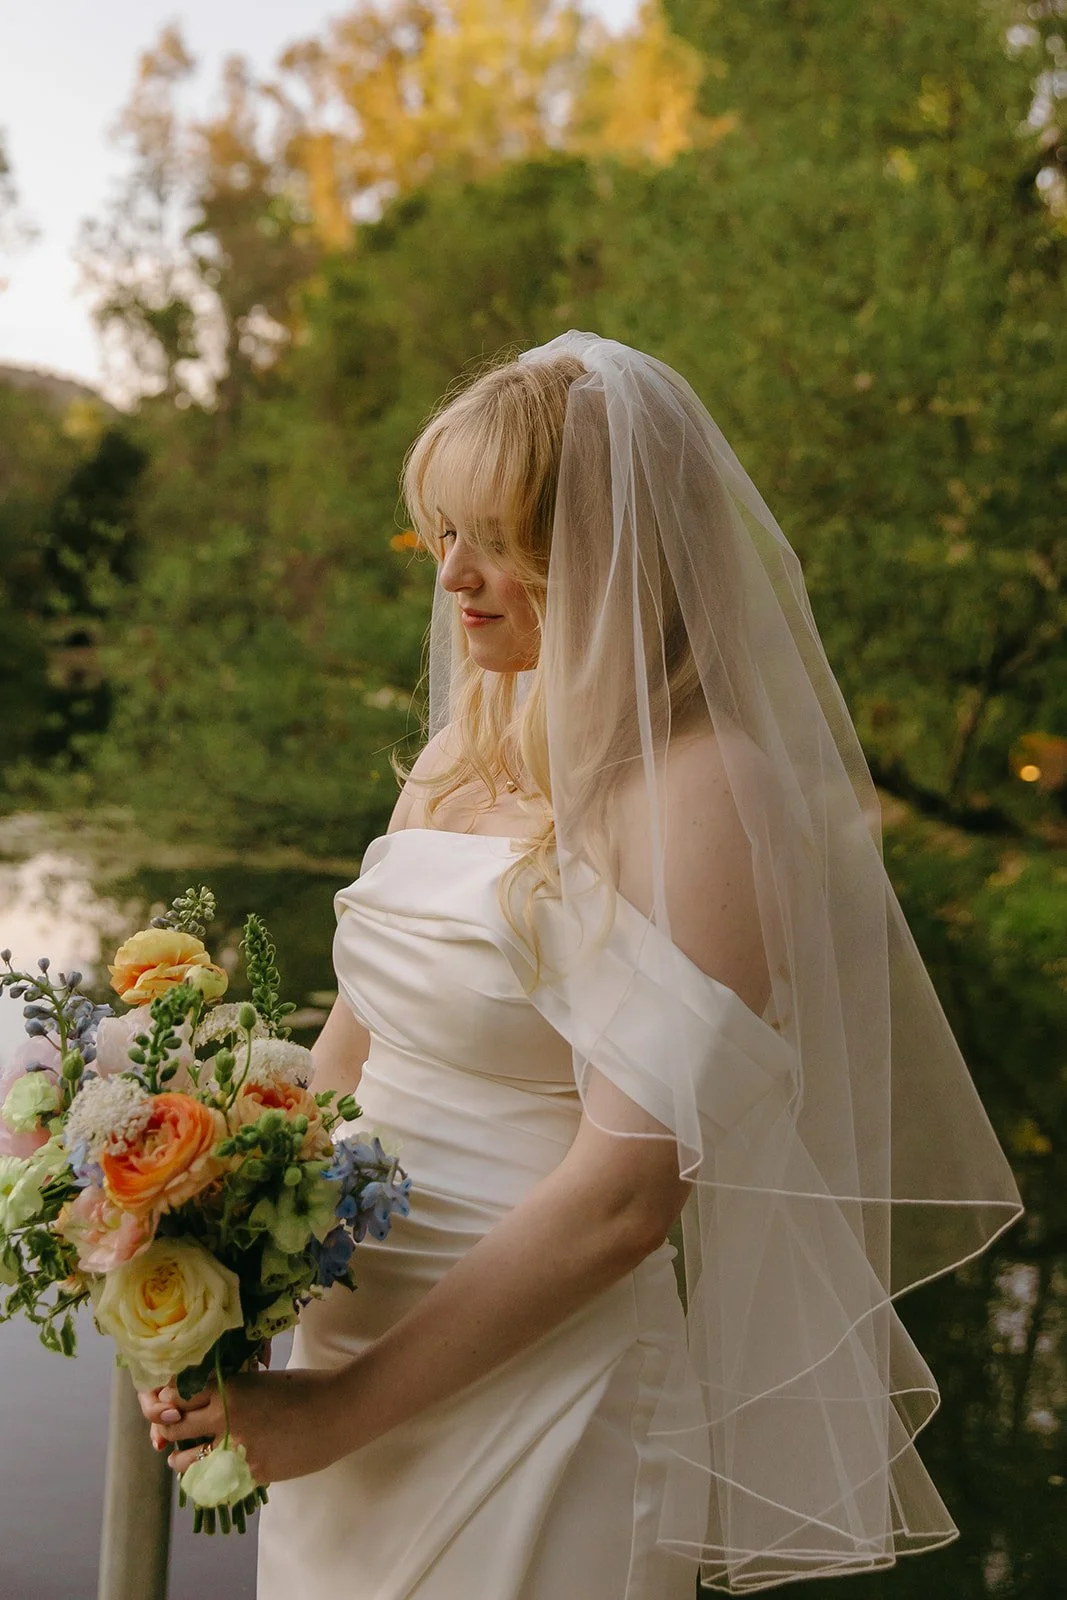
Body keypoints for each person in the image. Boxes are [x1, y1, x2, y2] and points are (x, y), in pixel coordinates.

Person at [140, 331, 1023, 1598]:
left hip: (531, 1391)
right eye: (439, 535)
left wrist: (340, 1410)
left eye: (494, 537)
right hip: (337, 1359)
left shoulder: (704, 787)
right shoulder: (460, 753)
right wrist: (195, 1245)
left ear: (612, 548)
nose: (453, 577)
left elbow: (624, 1196)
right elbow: (345, 1057)